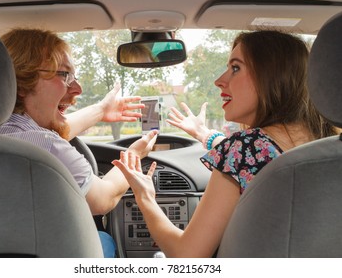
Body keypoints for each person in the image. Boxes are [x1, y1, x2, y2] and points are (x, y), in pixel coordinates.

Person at [111, 30, 339, 257]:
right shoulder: (327, 148)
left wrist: (145, 197)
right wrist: (205, 135)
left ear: (273, 75)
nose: (219, 81)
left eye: (236, 68)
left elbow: (186, 256)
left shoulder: (242, 149)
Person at [0, 28, 158, 257]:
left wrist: (101, 110)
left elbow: (51, 132)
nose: (78, 89)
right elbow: (105, 198)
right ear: (22, 83)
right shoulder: (46, 146)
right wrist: (134, 154)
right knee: (102, 239)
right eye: (64, 75)